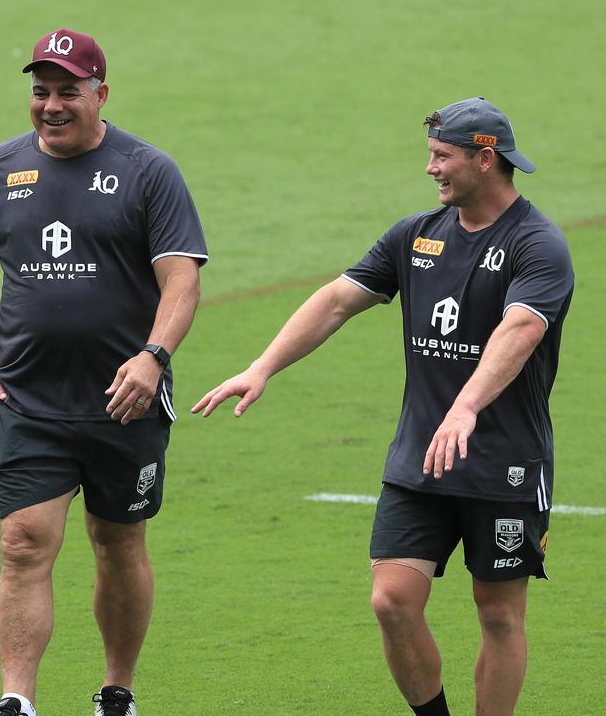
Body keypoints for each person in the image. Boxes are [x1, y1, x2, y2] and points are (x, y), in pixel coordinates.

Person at [194, 98, 572, 716]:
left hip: (504, 460)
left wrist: (467, 406)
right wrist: (262, 367)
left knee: (499, 613)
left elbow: (521, 330)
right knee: (392, 600)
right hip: (421, 457)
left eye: (442, 156)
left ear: (485, 159)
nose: (431, 168)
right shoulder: (416, 235)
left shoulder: (539, 245)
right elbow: (338, 301)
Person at [0, 28, 208, 716]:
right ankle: (17, 700)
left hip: (124, 402)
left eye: (68, 91)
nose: (52, 105)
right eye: (41, 91)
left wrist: (154, 358)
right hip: (28, 400)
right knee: (23, 542)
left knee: (117, 541)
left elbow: (181, 279)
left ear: (101, 94)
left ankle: (117, 688)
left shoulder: (148, 171)